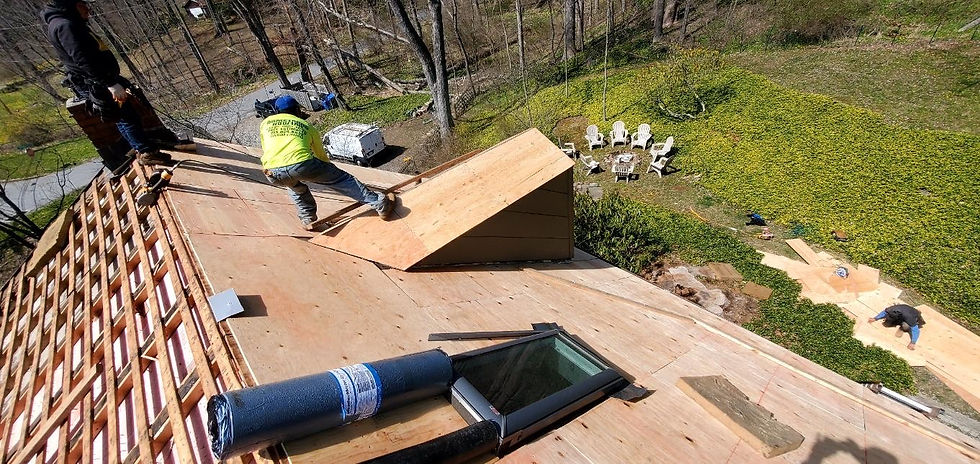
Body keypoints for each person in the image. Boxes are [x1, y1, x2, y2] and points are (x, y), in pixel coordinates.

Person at [42, 0, 171, 173]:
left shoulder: (65, 23)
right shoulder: (66, 26)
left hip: (99, 79)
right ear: (71, 6)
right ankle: (146, 152)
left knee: (121, 115)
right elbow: (83, 60)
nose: (88, 8)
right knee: (127, 116)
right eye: (82, 4)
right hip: (95, 82)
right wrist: (110, 84)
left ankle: (140, 148)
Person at [260, 95, 392, 229]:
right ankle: (379, 203)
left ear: (276, 111)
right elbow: (320, 155)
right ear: (297, 110)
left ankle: (307, 218)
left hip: (272, 171)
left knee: (295, 187)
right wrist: (330, 171)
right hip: (301, 164)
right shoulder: (306, 126)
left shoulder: (265, 123)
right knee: (342, 179)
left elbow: (266, 147)